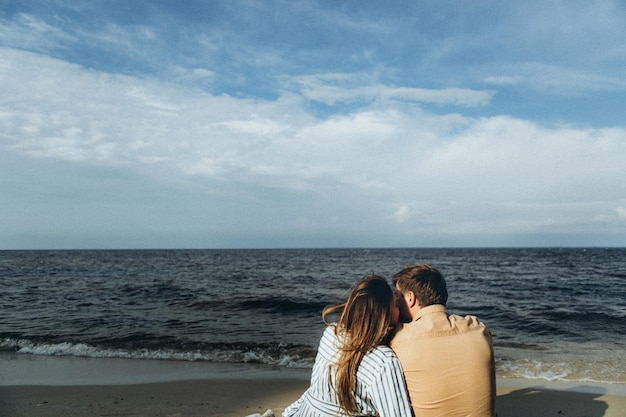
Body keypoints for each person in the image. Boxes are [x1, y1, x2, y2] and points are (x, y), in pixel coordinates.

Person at [283, 274, 413, 417]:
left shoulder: (332, 333)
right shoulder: (383, 361)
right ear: (383, 313)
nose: (400, 311)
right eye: (397, 305)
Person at [391, 264, 496, 417]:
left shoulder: (400, 338)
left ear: (410, 298)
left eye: (398, 297)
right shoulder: (478, 329)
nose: (397, 303)